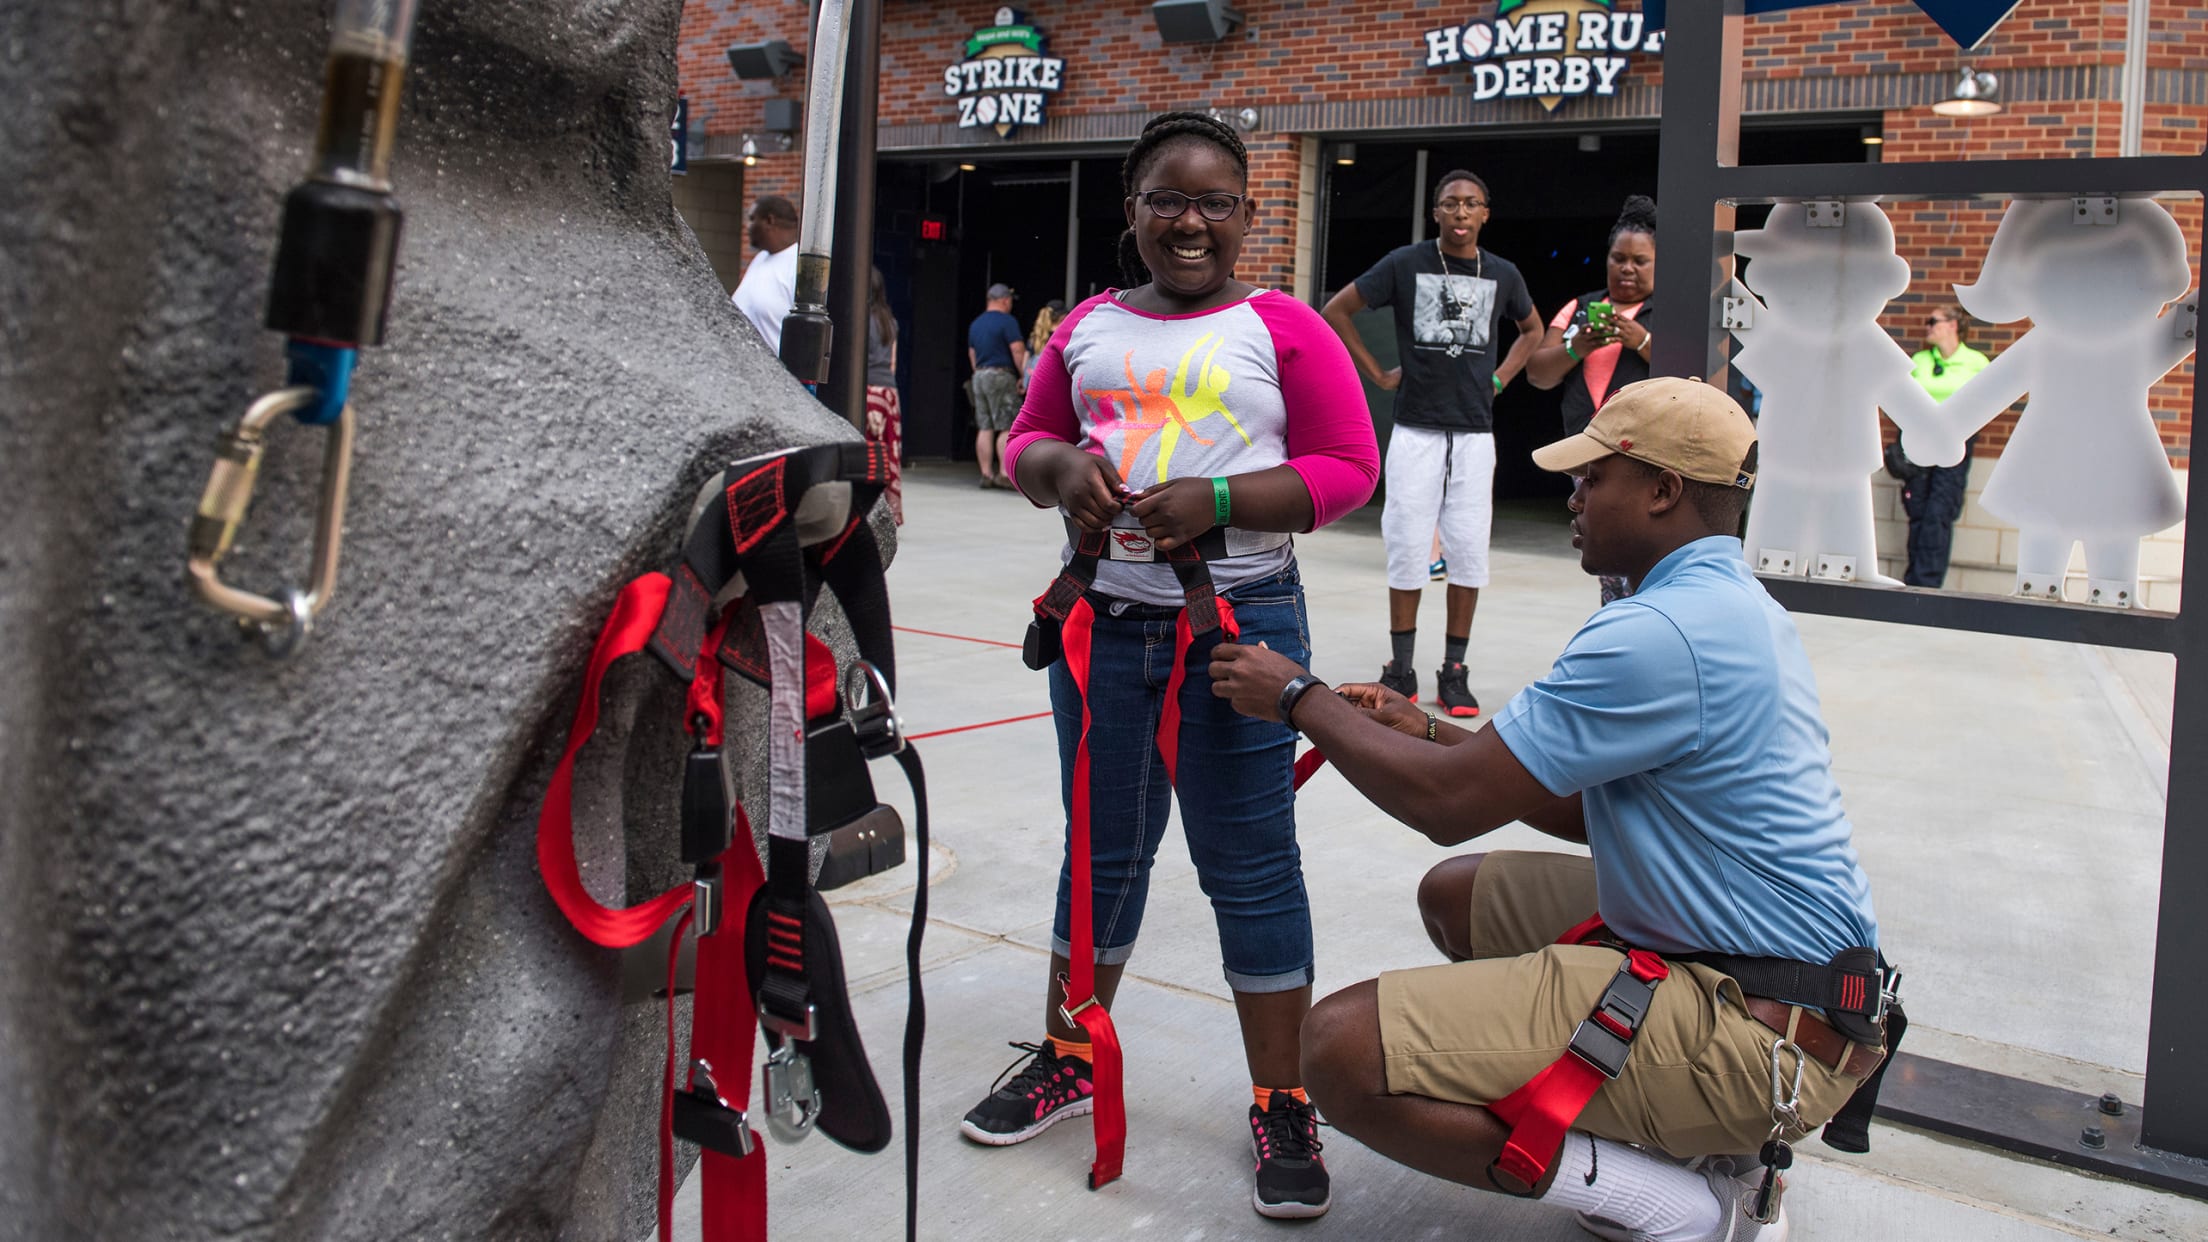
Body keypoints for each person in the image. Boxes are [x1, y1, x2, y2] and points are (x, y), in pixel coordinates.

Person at [1207, 377, 1890, 1242]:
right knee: (1459, 895)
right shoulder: (1726, 604)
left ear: (1662, 490)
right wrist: (1418, 723)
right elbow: (1573, 802)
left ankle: (1681, 1206)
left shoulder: (1656, 632)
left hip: (1757, 1030)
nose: (1571, 497)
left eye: (1590, 478)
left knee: (1338, 1051)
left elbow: (1445, 805)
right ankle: (1686, 1142)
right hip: (1793, 984)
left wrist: (1300, 696)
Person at [965, 110, 1378, 1221]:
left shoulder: (1281, 326)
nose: (1189, 222)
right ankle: (1070, 1052)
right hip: (1102, 623)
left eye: (1214, 204)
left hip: (1238, 627)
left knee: (1248, 864)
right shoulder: (1088, 326)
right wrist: (1058, 471)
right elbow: (1027, 440)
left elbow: (1348, 470)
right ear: (1133, 210)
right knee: (1099, 853)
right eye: (1166, 199)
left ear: (1247, 216)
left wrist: (1227, 499)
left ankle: (1282, 1096)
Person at [1321, 170, 1541, 719]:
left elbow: (1533, 330)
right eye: (1450, 204)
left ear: (1486, 213)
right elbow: (1337, 311)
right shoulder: (1405, 264)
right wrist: (1377, 373)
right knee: (1407, 545)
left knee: (1467, 548)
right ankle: (1401, 668)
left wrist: (1502, 378)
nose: (1461, 213)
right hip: (1416, 428)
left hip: (1473, 432)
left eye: (1471, 204)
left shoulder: (1503, 273)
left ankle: (1455, 671)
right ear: (1436, 213)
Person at [1528, 194, 1658, 604]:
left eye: (1640, 261)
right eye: (1619, 258)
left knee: (1638, 552)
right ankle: (1617, 625)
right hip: (1587, 454)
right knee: (1604, 556)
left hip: (1643, 455)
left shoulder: (1668, 310)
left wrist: (1644, 342)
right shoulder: (1580, 309)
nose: (1627, 268)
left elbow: (1691, 376)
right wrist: (1576, 348)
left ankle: (1634, 626)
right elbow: (1537, 374)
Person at [1885, 304, 1989, 587]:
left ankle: (1927, 584)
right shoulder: (1919, 360)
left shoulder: (1976, 362)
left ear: (1953, 325)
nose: (1927, 327)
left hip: (1954, 447)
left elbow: (1984, 406)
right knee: (1917, 511)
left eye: (1933, 321)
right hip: (1919, 445)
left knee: (1939, 513)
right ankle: (1913, 582)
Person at [967, 282, 1029, 488]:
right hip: (1001, 376)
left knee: (984, 426)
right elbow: (1017, 350)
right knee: (1006, 425)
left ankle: (986, 473)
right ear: (1005, 300)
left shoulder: (976, 324)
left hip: (980, 376)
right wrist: (1023, 375)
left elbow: (972, 354)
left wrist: (979, 373)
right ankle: (1004, 472)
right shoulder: (1007, 322)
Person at [729, 195, 799, 354]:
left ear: (769, 221)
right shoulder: (760, 258)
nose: (747, 226)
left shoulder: (798, 265)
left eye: (752, 219)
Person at [864, 265, 904, 524]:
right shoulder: (890, 321)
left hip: (866, 390)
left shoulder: (858, 318)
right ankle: (888, 511)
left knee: (865, 450)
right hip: (888, 392)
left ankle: (865, 507)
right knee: (888, 452)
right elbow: (892, 363)